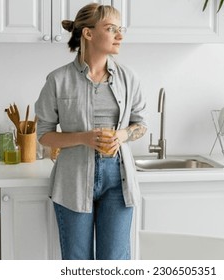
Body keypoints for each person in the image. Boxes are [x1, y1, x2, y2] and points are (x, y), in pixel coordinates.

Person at [34, 3, 147, 260]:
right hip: (73, 179)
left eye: (121, 29)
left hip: (118, 179)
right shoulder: (57, 80)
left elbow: (141, 124)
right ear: (88, 33)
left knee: (114, 263)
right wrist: (84, 138)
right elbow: (44, 134)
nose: (120, 35)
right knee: (77, 263)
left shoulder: (129, 78)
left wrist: (122, 135)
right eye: (111, 29)